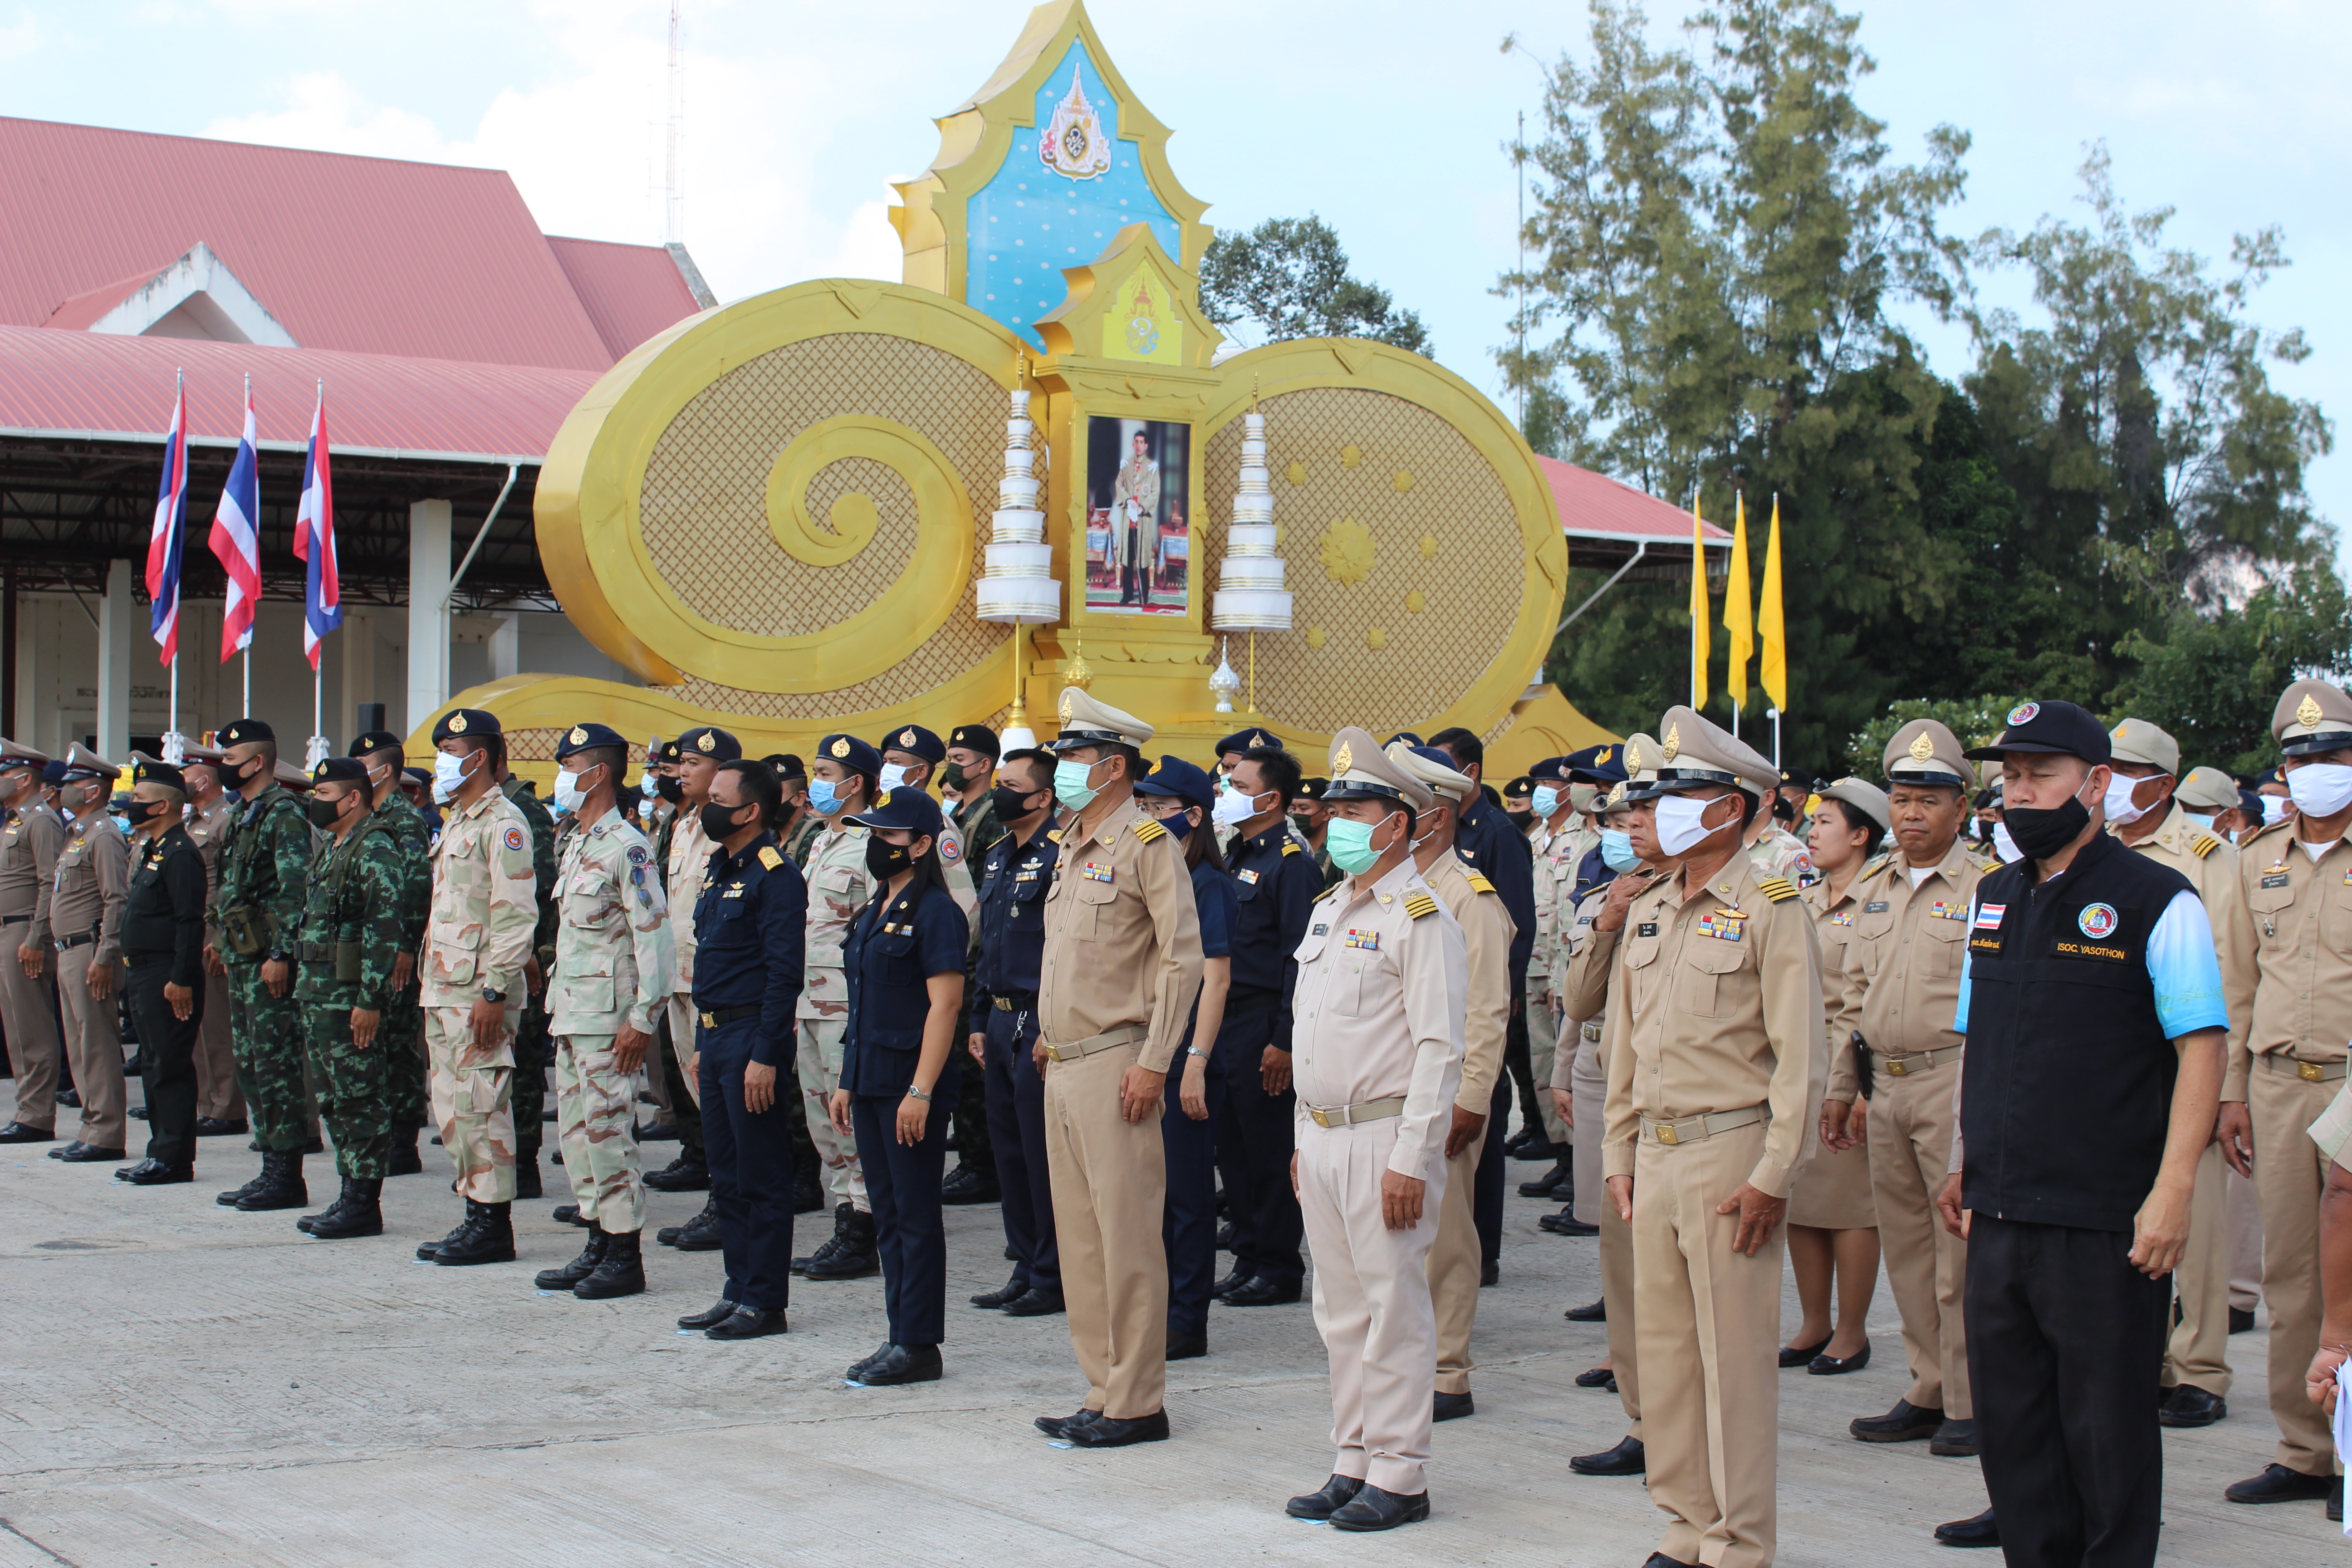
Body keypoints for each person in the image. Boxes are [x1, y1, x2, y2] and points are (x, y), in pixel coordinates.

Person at [1929, 698, 2226, 1566]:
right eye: (2010, 777)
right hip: (1999, 1207)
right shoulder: (1992, 897)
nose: (2019, 793)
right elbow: (1978, 1040)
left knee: (2106, 1436)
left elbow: (2200, 1049)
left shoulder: (2157, 899)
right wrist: (1961, 1161)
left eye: (2040, 775)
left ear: (2095, 784)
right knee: (2014, 1431)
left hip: (2104, 1217)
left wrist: (2171, 1192)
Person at [1593, 705, 1824, 1568]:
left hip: (1729, 1152)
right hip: (1652, 1157)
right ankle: (1686, 1524)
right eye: (1658, 797)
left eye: (1680, 796)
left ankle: (1739, 1540)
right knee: (1665, 1358)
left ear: (1729, 808)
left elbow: (1802, 1056)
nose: (1658, 812)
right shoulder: (1651, 906)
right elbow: (1623, 1047)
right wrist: (1618, 1152)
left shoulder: (1772, 906)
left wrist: (1775, 1173)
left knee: (1731, 1363)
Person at [1279, 728, 1466, 1532]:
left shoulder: (1420, 918)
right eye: (1337, 810)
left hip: (1384, 1138)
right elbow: (1312, 1037)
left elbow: (1439, 1048)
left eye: (1357, 812)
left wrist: (1413, 1158)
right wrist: (1301, 1137)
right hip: (1323, 1136)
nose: (1340, 823)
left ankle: (1400, 1472)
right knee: (1340, 1310)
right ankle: (1351, 1457)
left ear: (1398, 823)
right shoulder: (1329, 910)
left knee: (1393, 1309)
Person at [1029, 688, 1203, 1449]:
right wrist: (1046, 1033)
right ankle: (1101, 1389)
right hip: (1064, 1061)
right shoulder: (1071, 842)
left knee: (1126, 1238)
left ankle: (1136, 1401)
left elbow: (1182, 958)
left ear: (1113, 767)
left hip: (1117, 1061)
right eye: (1062, 756)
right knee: (1080, 1239)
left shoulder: (1146, 843)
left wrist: (1156, 1060)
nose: (1063, 769)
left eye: (1075, 758)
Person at [1818, 720, 1993, 1469]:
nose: (1912, 813)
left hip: (1952, 1078)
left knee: (1959, 1253)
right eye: (1901, 798)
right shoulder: (1875, 887)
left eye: (1928, 800)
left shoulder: (1987, 885)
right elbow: (1850, 998)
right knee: (1908, 1249)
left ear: (1960, 807)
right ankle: (1927, 1384)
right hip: (1883, 1084)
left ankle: (1970, 1399)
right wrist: (1841, 1086)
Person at [2217, 678, 2352, 1518]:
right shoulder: (2253, 859)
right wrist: (2230, 1092)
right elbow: (2236, 986)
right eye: (2300, 759)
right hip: (2274, 1085)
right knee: (2289, 1275)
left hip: (2351, 1082)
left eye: (2332, 755)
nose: (2315, 770)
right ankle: (2304, 1450)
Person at [2106, 717, 2248, 1430]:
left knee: (2199, 1222)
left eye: (2127, 773)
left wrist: (2229, 1088)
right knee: (2127, 1218)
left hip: (2189, 1061)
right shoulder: (2096, 847)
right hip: (2119, 1069)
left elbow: (2234, 974)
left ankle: (2201, 1369)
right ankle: (2150, 1361)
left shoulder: (2206, 857)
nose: (2111, 784)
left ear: (2162, 785)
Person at [826, 785, 968, 1383]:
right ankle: (898, 1334)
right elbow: (862, 1006)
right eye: (874, 834)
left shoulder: (936, 912)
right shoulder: (874, 908)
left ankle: (918, 1343)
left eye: (888, 835)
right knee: (886, 1212)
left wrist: (921, 1090)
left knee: (914, 1214)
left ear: (921, 845)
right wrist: (846, 1081)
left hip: (909, 1085)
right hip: (871, 1079)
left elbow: (945, 1006)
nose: (877, 844)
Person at [1388, 741, 1513, 1424]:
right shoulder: (1393, 890)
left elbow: (1488, 1010)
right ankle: (1405, 1362)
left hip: (1443, 1095)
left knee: (1445, 1237)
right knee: (1398, 1240)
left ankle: (1448, 1372)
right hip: (1389, 1093)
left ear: (1433, 817)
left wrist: (1471, 1099)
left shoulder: (1469, 896)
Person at [533, 725, 675, 1300]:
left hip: (609, 1020)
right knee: (577, 1134)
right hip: (573, 1012)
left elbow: (654, 938)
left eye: (570, 766)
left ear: (598, 774)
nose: (562, 776)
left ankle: (624, 1254)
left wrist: (643, 1019)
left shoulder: (627, 847)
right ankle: (596, 1239)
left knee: (609, 1132)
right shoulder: (579, 842)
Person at [674, 758, 808, 1341]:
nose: (708, 806)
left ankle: (765, 1301)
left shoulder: (775, 876)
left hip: (753, 1037)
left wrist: (765, 1055)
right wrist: (704, 1041)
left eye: (720, 799)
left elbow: (784, 974)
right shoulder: (719, 867)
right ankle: (737, 1289)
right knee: (726, 1173)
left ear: (751, 811)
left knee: (761, 1174)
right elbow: (712, 962)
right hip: (716, 1035)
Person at [1553, 751, 1660, 1479]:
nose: (1628, 831)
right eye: (1623, 819)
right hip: (1620, 1104)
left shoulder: (1744, 903)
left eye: (1642, 815)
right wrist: (1611, 919)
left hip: (1688, 1116)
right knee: (1621, 1271)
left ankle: (1682, 1426)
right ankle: (1642, 1415)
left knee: (1675, 1289)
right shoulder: (1614, 897)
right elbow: (1580, 1000)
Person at [413, 708, 538, 1266]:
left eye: (450, 751)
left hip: (478, 992)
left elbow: (515, 916)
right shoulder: (459, 820)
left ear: (479, 757)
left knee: (482, 1105)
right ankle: (474, 1211)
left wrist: (495, 991)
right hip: (445, 987)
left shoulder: (503, 822)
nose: (440, 761)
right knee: (453, 1108)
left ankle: (492, 1224)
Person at [1133, 755, 1235, 1360]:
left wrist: (1195, 1060)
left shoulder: (1208, 883)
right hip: (1149, 1048)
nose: (1148, 817)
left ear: (1193, 816)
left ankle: (1186, 1319)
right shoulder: (1154, 871)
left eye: (1159, 808)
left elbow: (1215, 978)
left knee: (1187, 1197)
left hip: (1186, 1058)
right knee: (1150, 1194)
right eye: (1142, 807)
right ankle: (1157, 1306)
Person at [1211, 742, 1318, 1308]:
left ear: (1271, 799)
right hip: (1226, 1020)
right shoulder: (1237, 854)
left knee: (1269, 1151)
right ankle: (1247, 1255)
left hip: (1262, 1020)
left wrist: (1285, 1038)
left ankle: (1278, 1266)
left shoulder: (1291, 865)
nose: (1227, 793)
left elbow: (1299, 960)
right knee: (1234, 1148)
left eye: (1239, 786)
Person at [1784, 779, 1885, 1375]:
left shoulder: (1880, 899)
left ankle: (1851, 1331)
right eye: (1813, 821)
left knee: (1849, 1205)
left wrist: (1854, 1086)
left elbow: (1866, 1000)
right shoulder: (1805, 897)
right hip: (1800, 1061)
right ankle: (1813, 1322)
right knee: (1800, 1198)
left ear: (1861, 835)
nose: (1813, 831)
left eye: (1826, 822)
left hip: (1848, 1059)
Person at [1430, 726, 1535, 1288]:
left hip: (1483, 1001)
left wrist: (1504, 998)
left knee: (1480, 1132)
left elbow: (1514, 927)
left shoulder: (1496, 834)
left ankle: (1482, 1249)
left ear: (1468, 773)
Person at [286, 758, 406, 1240]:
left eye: (324, 793)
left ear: (353, 797)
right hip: (319, 991)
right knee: (334, 1099)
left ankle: (363, 1203)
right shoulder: (335, 845)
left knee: (360, 1098)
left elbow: (384, 927)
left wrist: (370, 999)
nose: (315, 801)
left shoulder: (374, 847)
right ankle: (348, 1191)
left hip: (349, 997)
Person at [967, 747, 1065, 1318]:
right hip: (1001, 1017)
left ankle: (1053, 1273)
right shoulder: (999, 855)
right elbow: (990, 944)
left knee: (1040, 1153)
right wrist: (979, 1018)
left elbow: (1063, 949)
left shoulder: (1060, 854)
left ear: (1044, 798)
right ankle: (1025, 1264)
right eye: (998, 784)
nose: (999, 794)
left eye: (1011, 786)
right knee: (1008, 1150)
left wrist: (1052, 1023)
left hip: (1039, 1019)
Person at [208, 719, 317, 1211]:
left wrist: (281, 954)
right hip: (242, 954)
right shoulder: (244, 813)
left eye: (230, 760)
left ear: (257, 763)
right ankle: (270, 1164)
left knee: (277, 1065)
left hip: (268, 959)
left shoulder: (283, 813)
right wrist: (221, 937)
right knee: (251, 1063)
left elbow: (296, 890)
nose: (223, 767)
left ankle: (287, 1176)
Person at [792, 733, 882, 1281]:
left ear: (856, 784)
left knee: (850, 1120)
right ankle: (846, 1215)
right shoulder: (821, 841)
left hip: (846, 1005)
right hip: (809, 1002)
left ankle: (864, 1231)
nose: (817, 783)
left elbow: (881, 926)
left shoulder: (873, 843)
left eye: (826, 774)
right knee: (823, 1121)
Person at [649, 729, 737, 1210]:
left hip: (715, 980)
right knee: (696, 1087)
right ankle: (720, 1193)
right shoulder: (683, 824)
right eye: (681, 763)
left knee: (720, 1095)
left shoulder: (731, 826)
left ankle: (729, 1202)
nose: (682, 772)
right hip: (679, 975)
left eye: (693, 763)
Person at [111, 758, 209, 1185]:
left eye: (139, 798)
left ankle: (174, 1159)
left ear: (163, 806)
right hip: (143, 972)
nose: (131, 804)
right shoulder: (155, 849)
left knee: (170, 1065)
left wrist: (181, 978)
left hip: (166, 974)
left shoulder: (181, 853)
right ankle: (160, 1151)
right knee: (153, 1064)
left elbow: (190, 921)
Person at [347, 731, 429, 1177]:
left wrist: (406, 947)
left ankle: (403, 1139)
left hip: (396, 949)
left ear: (386, 771)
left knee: (398, 1043)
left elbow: (415, 885)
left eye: (364, 764)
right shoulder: (363, 815)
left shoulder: (405, 818)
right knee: (376, 1044)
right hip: (368, 947)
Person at [44, 745, 130, 1163]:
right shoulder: (78, 834)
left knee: (97, 1045)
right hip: (68, 950)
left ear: (93, 791)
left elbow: (117, 900)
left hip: (89, 950)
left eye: (73, 784)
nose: (65, 791)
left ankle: (107, 1133)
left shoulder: (104, 835)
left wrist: (105, 955)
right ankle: (92, 1126)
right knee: (79, 1046)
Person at [176, 745, 248, 1137]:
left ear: (204, 779)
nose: (182, 780)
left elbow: (231, 883)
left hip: (213, 931)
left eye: (188, 773)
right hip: (191, 928)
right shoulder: (192, 821)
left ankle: (227, 1108)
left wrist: (223, 936)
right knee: (196, 1024)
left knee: (217, 1023)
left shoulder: (226, 819)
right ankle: (207, 1102)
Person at [497, 764, 560, 1200]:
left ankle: (522, 1164)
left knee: (521, 1060)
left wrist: (531, 951)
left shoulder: (521, 807)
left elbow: (536, 886)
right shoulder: (473, 812)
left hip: (525, 956)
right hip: (491, 955)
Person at [0, 739, 65, 1146]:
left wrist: (37, 936)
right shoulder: (14, 820)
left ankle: (38, 1115)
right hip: (8, 931)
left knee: (33, 1027)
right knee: (16, 1029)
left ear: (24, 779)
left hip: (25, 931)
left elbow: (49, 883)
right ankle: (28, 1109)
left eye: (5, 774)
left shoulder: (40, 820)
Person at [1113, 429, 1161, 606]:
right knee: (1127, 559)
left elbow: (1155, 492)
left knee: (1142, 559)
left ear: (1146, 446)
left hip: (1143, 519)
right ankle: (1127, 595)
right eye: (1136, 442)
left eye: (1142, 442)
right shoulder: (1126, 465)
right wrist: (1128, 500)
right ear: (1133, 444)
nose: (1139, 445)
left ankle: (1143, 595)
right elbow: (1119, 485)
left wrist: (1142, 508)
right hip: (1128, 518)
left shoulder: (1152, 467)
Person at [1289, 775, 1342, 892]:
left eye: (1304, 809)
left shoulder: (1337, 856)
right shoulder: (1290, 848)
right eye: (1294, 809)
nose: (1297, 814)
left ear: (1326, 814)